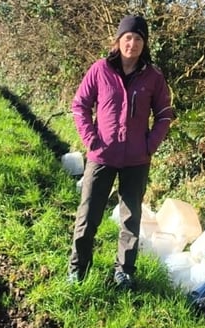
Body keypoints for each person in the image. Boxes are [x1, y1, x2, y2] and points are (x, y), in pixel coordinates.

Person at [67, 15, 175, 288]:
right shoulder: (100, 70)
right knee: (88, 214)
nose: (133, 43)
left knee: (131, 218)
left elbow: (164, 114)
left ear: (144, 43)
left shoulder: (153, 76)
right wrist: (91, 139)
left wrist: (150, 145)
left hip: (137, 160)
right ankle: (78, 269)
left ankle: (124, 271)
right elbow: (80, 105)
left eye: (138, 39)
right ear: (118, 41)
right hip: (102, 156)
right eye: (128, 37)